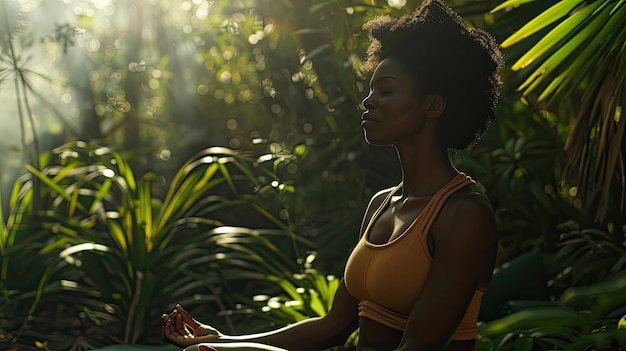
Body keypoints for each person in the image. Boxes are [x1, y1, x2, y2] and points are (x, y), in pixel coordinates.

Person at [161, 0, 504, 350]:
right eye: (370, 90)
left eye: (385, 90)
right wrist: (226, 340)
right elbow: (333, 326)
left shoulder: (463, 214)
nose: (368, 101)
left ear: (432, 105)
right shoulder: (381, 205)